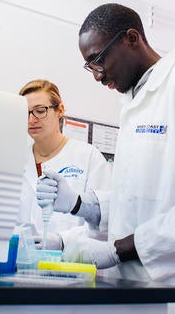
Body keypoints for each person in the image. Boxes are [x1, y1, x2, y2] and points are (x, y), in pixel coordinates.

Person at [37, 4, 175, 313]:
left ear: (131, 38)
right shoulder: (133, 101)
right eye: (90, 67)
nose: (97, 76)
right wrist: (83, 205)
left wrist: (117, 251)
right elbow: (143, 200)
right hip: (144, 290)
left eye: (98, 61)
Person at [18, 79, 111, 250]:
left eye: (40, 111)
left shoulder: (88, 157)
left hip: (69, 263)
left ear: (60, 110)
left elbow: (104, 222)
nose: (31, 120)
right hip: (17, 262)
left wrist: (61, 241)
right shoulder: (16, 158)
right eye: (26, 113)